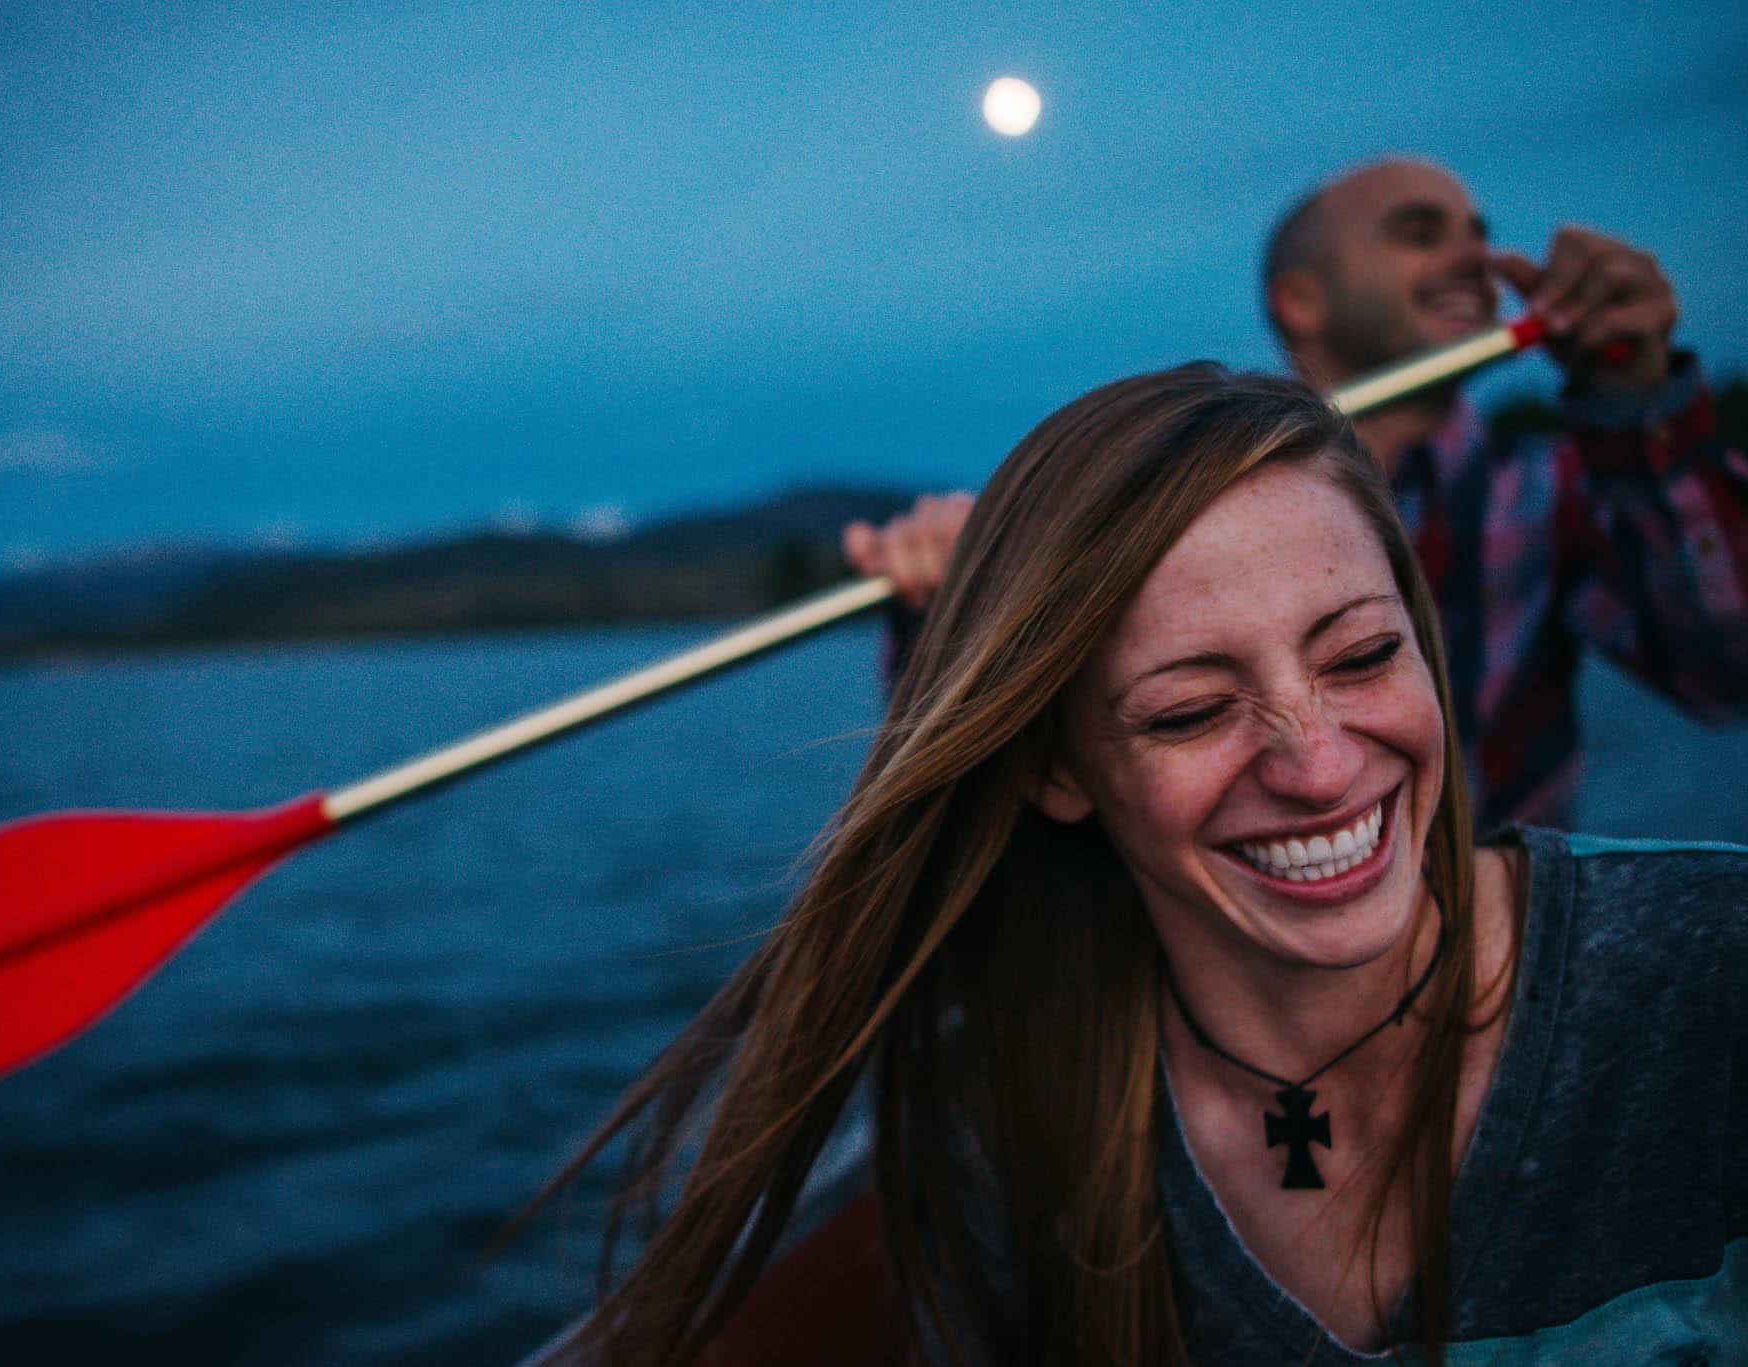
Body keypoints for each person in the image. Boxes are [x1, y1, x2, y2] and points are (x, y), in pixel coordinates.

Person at [529, 366, 1746, 1364]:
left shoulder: (1709, 973)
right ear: (1057, 770)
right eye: (1184, 712)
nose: (1317, 766)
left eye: (1362, 653)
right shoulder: (1006, 1121)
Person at [844, 159, 1748, 830]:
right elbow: (997, 818)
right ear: (1302, 300)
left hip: (1498, 984)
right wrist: (952, 613)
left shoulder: (1552, 494)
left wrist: (1640, 399)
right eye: (1421, 233)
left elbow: (1726, 666)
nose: (1479, 258)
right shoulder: (1153, 515)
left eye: (1478, 230)